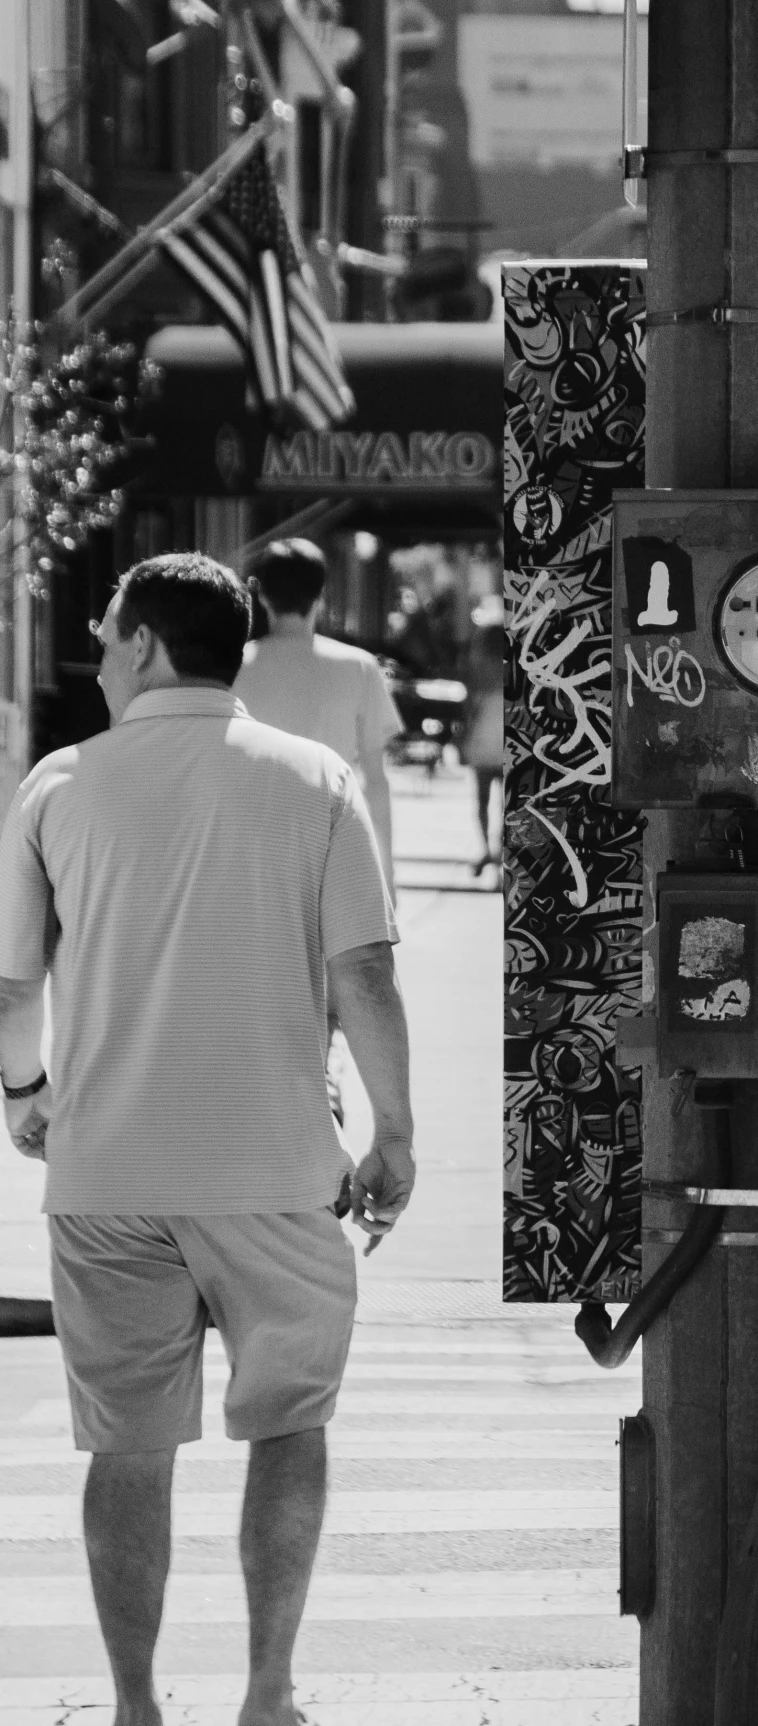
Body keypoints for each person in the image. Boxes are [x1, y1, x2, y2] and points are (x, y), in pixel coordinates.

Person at [0, 551, 415, 1726]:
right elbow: (365, 981)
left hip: (106, 1174)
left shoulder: (60, 785)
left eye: (105, 627)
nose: (95, 642)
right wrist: (396, 1135)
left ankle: (136, 1705)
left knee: (127, 1450)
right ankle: (267, 1692)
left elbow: (12, 992)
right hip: (276, 1174)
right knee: (289, 1425)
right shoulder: (316, 780)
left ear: (140, 645)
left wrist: (27, 1094)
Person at [239, 538, 402, 897]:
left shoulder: (233, 667)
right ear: (321, 595)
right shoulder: (358, 667)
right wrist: (385, 873)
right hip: (330, 844)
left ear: (260, 595)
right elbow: (375, 780)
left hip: (250, 844)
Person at [461, 612, 506, 877]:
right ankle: (500, 854)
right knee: (505, 805)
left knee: (481, 801)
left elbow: (469, 710)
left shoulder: (477, 671)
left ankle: (486, 851)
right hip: (504, 742)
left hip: (482, 740)